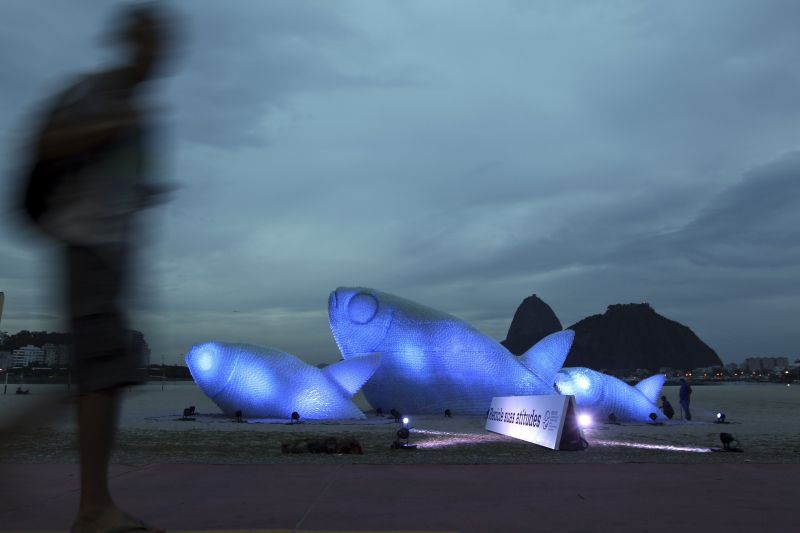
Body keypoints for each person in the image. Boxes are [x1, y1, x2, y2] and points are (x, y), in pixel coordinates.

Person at [18, 4, 176, 533]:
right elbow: (47, 143)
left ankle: (93, 505)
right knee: (100, 374)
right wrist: (112, 126)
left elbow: (129, 192)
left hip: (110, 256)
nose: (160, 51)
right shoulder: (99, 93)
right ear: (131, 41)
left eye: (164, 41)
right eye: (151, 38)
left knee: (101, 375)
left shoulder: (142, 110)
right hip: (83, 244)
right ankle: (92, 508)